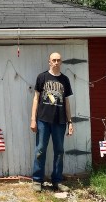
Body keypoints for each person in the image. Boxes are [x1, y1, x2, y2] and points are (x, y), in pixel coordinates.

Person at [30, 52, 74, 192]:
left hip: (60, 121)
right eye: (53, 60)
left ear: (61, 62)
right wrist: (33, 119)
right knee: (40, 149)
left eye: (58, 60)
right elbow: (36, 99)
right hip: (43, 120)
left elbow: (67, 102)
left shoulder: (65, 80)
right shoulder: (41, 77)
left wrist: (70, 122)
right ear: (49, 62)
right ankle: (37, 180)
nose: (56, 62)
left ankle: (57, 181)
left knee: (59, 151)